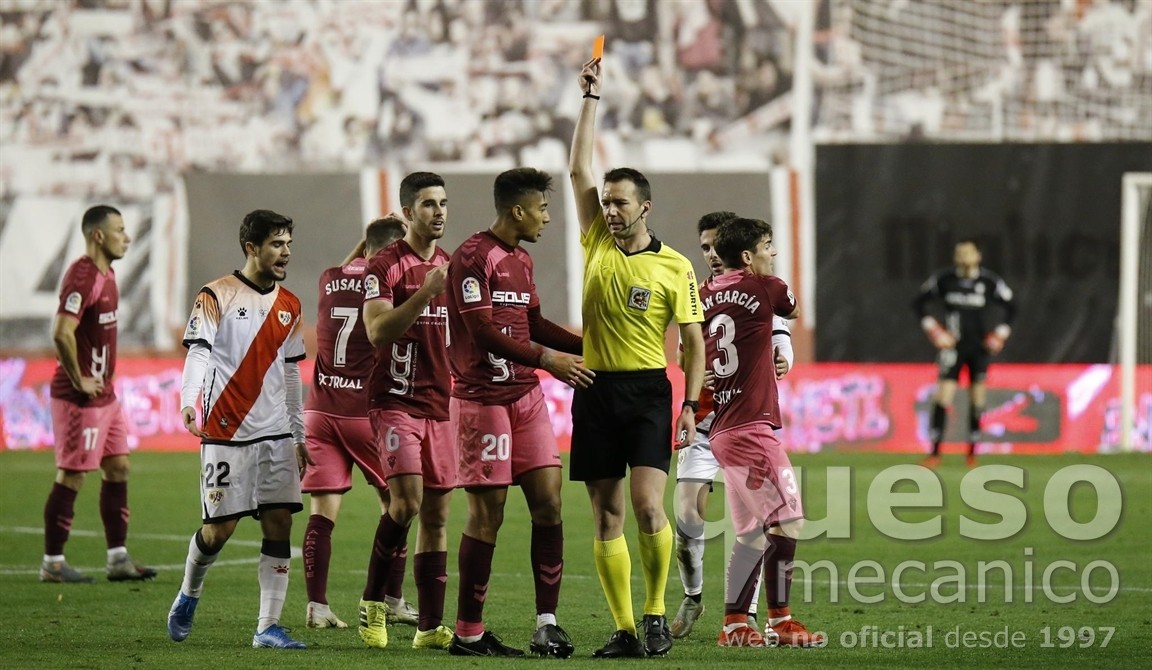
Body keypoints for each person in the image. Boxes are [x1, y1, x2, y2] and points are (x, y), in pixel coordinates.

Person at [569, 57, 706, 658]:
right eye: (607, 201)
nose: (611, 210)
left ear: (644, 207)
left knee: (650, 506)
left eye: (621, 203)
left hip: (649, 390)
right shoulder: (595, 237)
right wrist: (591, 99)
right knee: (606, 516)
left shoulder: (675, 266)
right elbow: (577, 168)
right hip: (593, 389)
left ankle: (654, 614)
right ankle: (624, 629)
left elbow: (695, 342)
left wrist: (691, 404)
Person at [445, 167, 592, 658]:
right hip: (482, 398)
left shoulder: (521, 261)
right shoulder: (471, 257)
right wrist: (548, 360)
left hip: (525, 397)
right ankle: (468, 632)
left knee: (549, 504)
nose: (547, 218)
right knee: (488, 514)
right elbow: (483, 332)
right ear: (517, 210)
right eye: (543, 209)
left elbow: (533, 323)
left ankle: (546, 623)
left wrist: (592, 345)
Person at [168, 209, 309, 650]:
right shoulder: (216, 295)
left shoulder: (290, 305)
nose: (285, 252)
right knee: (219, 530)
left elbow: (290, 377)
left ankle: (268, 627)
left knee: (280, 523)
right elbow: (198, 353)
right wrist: (189, 400)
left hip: (275, 434)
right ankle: (189, 593)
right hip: (226, 432)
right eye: (276, 244)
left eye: (287, 243)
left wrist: (299, 435)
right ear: (252, 248)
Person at [700, 216, 823, 648]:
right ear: (749, 256)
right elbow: (794, 307)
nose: (773, 253)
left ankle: (735, 624)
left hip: (721, 429)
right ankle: (781, 621)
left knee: (752, 532)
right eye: (768, 246)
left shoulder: (704, 293)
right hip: (752, 427)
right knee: (788, 520)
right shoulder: (765, 286)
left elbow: (690, 352)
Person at [670, 211, 793, 639]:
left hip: (738, 419)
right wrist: (694, 375)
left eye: (714, 246)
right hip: (706, 422)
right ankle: (695, 594)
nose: (711, 255)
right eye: (704, 248)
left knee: (754, 522)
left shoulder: (750, 291)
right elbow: (684, 352)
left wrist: (784, 357)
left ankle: (748, 615)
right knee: (688, 520)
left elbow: (778, 330)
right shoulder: (696, 295)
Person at [356, 172, 456, 651]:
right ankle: (373, 604)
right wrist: (424, 295)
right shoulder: (385, 266)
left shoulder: (451, 265)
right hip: (394, 400)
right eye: (428, 204)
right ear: (407, 212)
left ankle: (429, 626)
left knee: (437, 516)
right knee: (407, 503)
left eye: (442, 203)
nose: (438, 212)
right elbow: (377, 332)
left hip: (441, 403)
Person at [301, 216, 413, 630]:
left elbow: (354, 266)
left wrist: (367, 236)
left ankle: (317, 606)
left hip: (319, 411)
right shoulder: (391, 288)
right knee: (399, 504)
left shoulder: (329, 277)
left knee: (323, 511)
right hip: (363, 413)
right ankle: (394, 599)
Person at [40, 205, 155, 584]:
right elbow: (61, 331)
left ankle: (118, 559)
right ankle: (53, 563)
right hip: (80, 400)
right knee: (72, 475)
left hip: (106, 396)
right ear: (98, 236)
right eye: (120, 230)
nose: (128, 237)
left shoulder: (109, 274)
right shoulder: (83, 276)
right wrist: (79, 379)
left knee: (119, 467)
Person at [913, 239, 1016, 468]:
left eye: (969, 253)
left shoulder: (989, 282)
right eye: (960, 253)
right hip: (953, 347)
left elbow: (1012, 307)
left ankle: (971, 453)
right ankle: (935, 452)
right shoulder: (944, 280)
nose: (964, 257)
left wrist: (1000, 333)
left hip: (979, 348)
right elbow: (919, 303)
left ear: (978, 256)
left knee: (977, 398)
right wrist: (935, 330)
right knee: (943, 396)